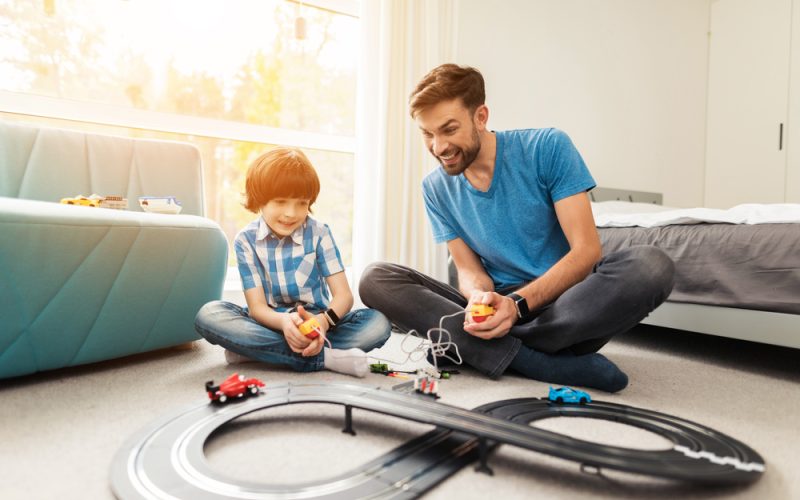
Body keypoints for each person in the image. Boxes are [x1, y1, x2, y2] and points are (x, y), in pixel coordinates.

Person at [359, 64, 675, 392]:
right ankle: (536, 362)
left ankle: (473, 349)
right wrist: (481, 297)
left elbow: (586, 252)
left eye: (449, 129)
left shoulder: (547, 147)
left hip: (562, 306)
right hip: (497, 303)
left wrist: (517, 306)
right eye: (427, 133)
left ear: (480, 117)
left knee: (652, 266)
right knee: (376, 279)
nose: (438, 147)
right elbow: (467, 270)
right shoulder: (435, 188)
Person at [195, 147, 391, 378]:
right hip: (271, 322)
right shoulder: (245, 241)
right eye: (280, 201)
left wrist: (323, 322)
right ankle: (326, 358)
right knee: (209, 315)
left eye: (301, 203)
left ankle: (261, 352)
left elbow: (343, 297)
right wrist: (285, 323)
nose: (291, 213)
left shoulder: (319, 233)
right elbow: (257, 308)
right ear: (259, 199)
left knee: (378, 323)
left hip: (319, 320)